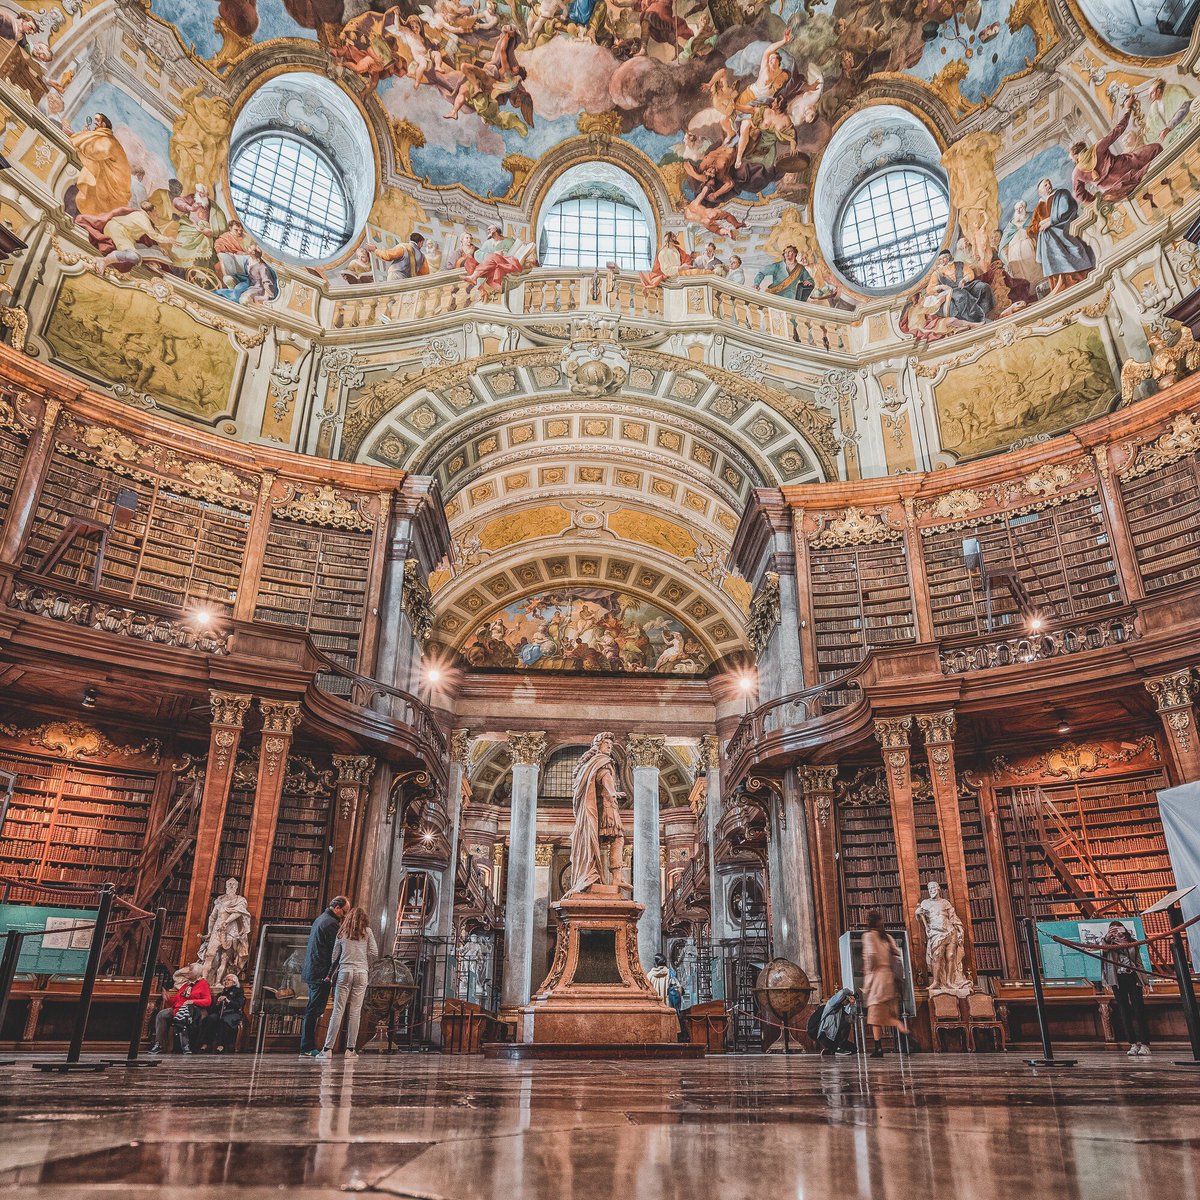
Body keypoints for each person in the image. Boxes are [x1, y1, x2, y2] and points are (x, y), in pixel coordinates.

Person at [1070, 96, 1162, 206]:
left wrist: (1094, 201)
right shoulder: (1097, 147)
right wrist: (1127, 110)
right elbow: (1119, 129)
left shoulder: (1076, 172)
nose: (1075, 162)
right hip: (1126, 168)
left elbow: (1079, 194)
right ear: (1084, 148)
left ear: (1076, 156)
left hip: (1110, 192)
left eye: (1074, 160)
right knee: (1155, 148)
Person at [318, 905, 378, 1058]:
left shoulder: (342, 932)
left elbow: (334, 957)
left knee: (338, 1010)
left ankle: (327, 1049)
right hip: (361, 972)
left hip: (344, 971)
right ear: (364, 919)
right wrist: (365, 963)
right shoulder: (368, 932)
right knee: (355, 1011)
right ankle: (350, 1050)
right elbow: (374, 952)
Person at [299, 895, 349, 1057]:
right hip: (321, 973)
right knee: (313, 1010)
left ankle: (307, 1046)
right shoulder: (331, 924)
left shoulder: (321, 919)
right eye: (344, 912)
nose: (345, 916)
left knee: (313, 1009)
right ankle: (307, 1047)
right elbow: (335, 951)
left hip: (314, 971)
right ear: (337, 908)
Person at [1029, 177, 1096, 294]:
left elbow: (1068, 210)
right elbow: (1031, 229)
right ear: (1040, 191)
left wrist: (1051, 221)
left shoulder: (1061, 194)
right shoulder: (1038, 207)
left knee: (1048, 234)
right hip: (1049, 235)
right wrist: (1040, 224)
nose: (1048, 185)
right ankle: (1060, 280)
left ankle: (1072, 278)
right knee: (1046, 235)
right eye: (1045, 185)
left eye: (1049, 183)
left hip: (1064, 228)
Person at [862, 910, 907, 1058]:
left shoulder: (868, 936)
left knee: (875, 1015)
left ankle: (901, 1028)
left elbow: (870, 958)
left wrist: (867, 982)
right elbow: (897, 953)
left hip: (877, 979)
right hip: (889, 979)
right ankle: (879, 1047)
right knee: (879, 1014)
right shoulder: (887, 937)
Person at [1101, 921, 1150, 1057]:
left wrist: (1145, 982)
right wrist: (1107, 937)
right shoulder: (1108, 943)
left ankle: (1145, 1044)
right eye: (1113, 930)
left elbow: (1138, 962)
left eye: (1118, 929)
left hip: (1133, 977)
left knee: (1138, 1009)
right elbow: (1103, 949)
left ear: (1124, 928)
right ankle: (1133, 1044)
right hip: (1118, 979)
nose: (1116, 932)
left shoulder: (1132, 942)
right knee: (1124, 1010)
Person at [150, 962, 211, 1055]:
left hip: (191, 1010)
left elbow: (208, 1001)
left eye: (190, 970)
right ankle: (158, 1044)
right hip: (176, 1008)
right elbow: (177, 1000)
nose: (188, 972)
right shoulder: (185, 985)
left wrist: (193, 1001)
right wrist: (168, 999)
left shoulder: (203, 984)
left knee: (183, 1018)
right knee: (161, 1014)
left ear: (196, 973)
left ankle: (185, 1046)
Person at [197, 973, 245, 1053]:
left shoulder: (239, 992)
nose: (226, 981)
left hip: (233, 1013)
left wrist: (227, 1000)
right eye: (225, 980)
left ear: (234, 982)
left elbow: (238, 1004)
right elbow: (214, 1009)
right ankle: (206, 1043)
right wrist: (217, 1004)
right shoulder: (221, 993)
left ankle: (221, 1045)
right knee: (210, 1019)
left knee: (224, 1020)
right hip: (221, 1012)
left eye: (228, 980)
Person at [648, 953, 687, 1042]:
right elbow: (678, 989)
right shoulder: (670, 973)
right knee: (670, 1031)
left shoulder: (649, 975)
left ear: (655, 963)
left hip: (655, 1007)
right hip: (668, 1005)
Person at [815, 987, 859, 1056]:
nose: (847, 1002)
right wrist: (849, 993)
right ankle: (839, 1048)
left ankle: (831, 1050)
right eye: (847, 1000)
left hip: (834, 1038)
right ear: (842, 998)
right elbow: (841, 993)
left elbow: (851, 1020)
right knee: (845, 1025)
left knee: (854, 1049)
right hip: (825, 1037)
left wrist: (852, 1004)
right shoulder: (831, 1005)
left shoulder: (841, 1009)